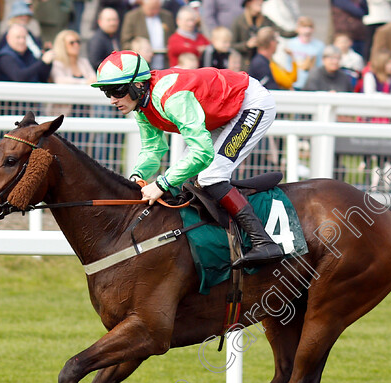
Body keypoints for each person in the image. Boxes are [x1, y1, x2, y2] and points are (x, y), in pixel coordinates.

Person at [91, 50, 284, 267]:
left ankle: (264, 242)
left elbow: (201, 152)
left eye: (116, 91)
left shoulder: (171, 97)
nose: (112, 100)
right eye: (107, 93)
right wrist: (137, 176)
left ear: (138, 85)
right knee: (188, 177)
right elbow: (153, 149)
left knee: (211, 176)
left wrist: (162, 183)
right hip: (220, 114)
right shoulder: (141, 105)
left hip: (249, 103)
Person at [119, 0, 175, 70]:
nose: (154, 11)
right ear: (143, 5)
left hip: (165, 60)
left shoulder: (167, 16)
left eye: (157, 8)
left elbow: (173, 36)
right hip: (142, 63)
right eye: (151, 9)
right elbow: (125, 41)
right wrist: (137, 50)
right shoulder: (132, 17)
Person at [247, 25, 279, 89]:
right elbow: (271, 88)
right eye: (277, 42)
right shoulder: (260, 64)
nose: (277, 44)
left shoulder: (263, 61)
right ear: (272, 43)